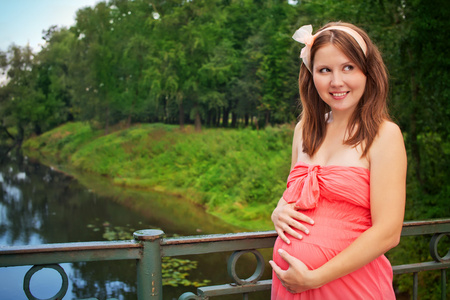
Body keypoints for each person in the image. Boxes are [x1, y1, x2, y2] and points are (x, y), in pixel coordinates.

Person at [269, 22, 407, 299]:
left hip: (349, 287)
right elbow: (297, 195)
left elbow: (388, 232)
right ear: (311, 76)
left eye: (348, 68)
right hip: (291, 288)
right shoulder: (304, 130)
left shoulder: (384, 135)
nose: (336, 82)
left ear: (368, 72)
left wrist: (315, 277)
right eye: (324, 70)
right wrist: (278, 210)